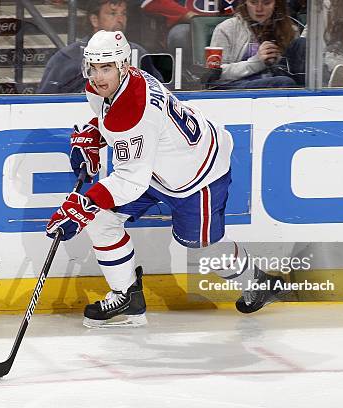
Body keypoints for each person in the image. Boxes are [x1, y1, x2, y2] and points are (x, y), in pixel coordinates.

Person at [45, 30, 288, 328]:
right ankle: (127, 297)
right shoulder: (114, 85)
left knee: (202, 246)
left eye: (106, 67)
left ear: (122, 66)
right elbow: (118, 127)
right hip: (155, 167)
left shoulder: (134, 108)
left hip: (198, 173)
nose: (97, 76)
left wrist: (84, 204)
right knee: (101, 219)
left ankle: (258, 282)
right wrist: (96, 133)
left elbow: (131, 178)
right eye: (93, 67)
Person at [37, 0, 163, 94]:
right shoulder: (68, 58)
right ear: (94, 20)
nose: (120, 19)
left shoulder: (138, 53)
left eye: (123, 13)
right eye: (112, 14)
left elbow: (162, 94)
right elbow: (44, 102)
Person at [208, 0, 303, 89]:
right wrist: (257, 62)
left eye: (267, 3)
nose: (259, 9)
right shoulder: (227, 28)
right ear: (245, 2)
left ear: (276, 4)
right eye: (253, 2)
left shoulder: (290, 30)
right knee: (283, 82)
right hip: (235, 85)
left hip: (278, 81)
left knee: (301, 44)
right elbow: (215, 74)